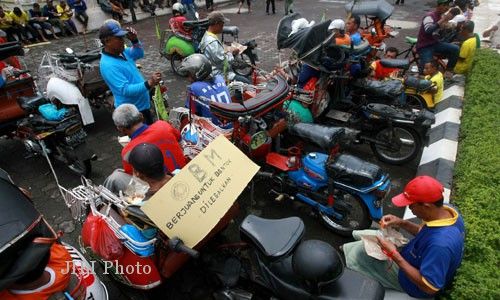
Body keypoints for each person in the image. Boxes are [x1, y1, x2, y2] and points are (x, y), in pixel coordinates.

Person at [343, 176, 465, 298]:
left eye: (411, 206)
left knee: (360, 253)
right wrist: (401, 222)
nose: (411, 210)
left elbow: (430, 287)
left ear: (427, 206)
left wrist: (394, 254)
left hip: (412, 283)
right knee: (371, 235)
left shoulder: (440, 245)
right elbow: (424, 233)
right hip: (416, 256)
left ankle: (347, 261)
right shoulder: (448, 212)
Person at [99, 19, 162, 125]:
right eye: (118, 38)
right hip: (133, 113)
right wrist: (149, 83)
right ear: (107, 41)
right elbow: (125, 90)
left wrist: (135, 41)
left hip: (143, 106)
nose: (123, 40)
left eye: (122, 37)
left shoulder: (122, 52)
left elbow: (138, 54)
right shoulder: (108, 65)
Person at [112, 103, 186, 175]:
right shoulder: (163, 125)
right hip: (185, 173)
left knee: (117, 175)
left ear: (121, 128)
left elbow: (134, 177)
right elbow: (180, 140)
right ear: (141, 116)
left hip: (162, 185)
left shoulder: (128, 152)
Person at [178, 54, 232, 128]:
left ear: (198, 73)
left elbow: (191, 113)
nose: (188, 78)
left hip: (215, 132)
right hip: (231, 126)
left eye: (189, 75)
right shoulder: (220, 78)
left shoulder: (194, 87)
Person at [104, 143, 173, 197]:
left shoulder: (139, 202)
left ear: (137, 173)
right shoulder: (179, 174)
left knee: (115, 176)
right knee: (118, 173)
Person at [199, 11, 250, 84]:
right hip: (220, 75)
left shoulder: (208, 36)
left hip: (218, 71)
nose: (222, 28)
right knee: (246, 83)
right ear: (216, 24)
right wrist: (232, 53)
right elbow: (222, 62)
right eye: (222, 25)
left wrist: (226, 50)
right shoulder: (212, 42)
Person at [416, 0, 460, 76]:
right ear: (440, 5)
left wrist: (448, 23)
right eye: (445, 5)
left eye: (448, 6)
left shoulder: (441, 16)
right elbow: (428, 30)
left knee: (455, 49)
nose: (447, 8)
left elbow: (442, 30)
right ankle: (421, 78)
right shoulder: (429, 16)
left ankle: (448, 70)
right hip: (425, 46)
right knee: (428, 68)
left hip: (435, 43)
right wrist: (443, 19)